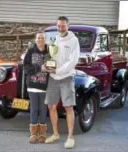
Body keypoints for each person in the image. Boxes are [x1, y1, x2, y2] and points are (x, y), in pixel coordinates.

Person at [44, 16, 80, 149]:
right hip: (53, 78)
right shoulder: (54, 38)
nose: (60, 28)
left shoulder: (74, 40)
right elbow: (50, 55)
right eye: (58, 26)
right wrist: (47, 65)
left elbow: (73, 61)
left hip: (66, 78)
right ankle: (55, 134)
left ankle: (70, 137)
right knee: (51, 107)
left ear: (68, 26)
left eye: (63, 26)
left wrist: (58, 70)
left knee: (68, 107)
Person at [23, 32, 49, 144]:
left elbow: (53, 65)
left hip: (44, 86)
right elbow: (26, 68)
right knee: (34, 109)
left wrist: (51, 69)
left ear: (45, 39)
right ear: (35, 39)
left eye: (42, 38)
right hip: (33, 86)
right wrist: (40, 68)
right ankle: (33, 134)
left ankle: (42, 134)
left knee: (43, 109)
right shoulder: (30, 51)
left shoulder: (50, 51)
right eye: (39, 37)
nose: (40, 39)